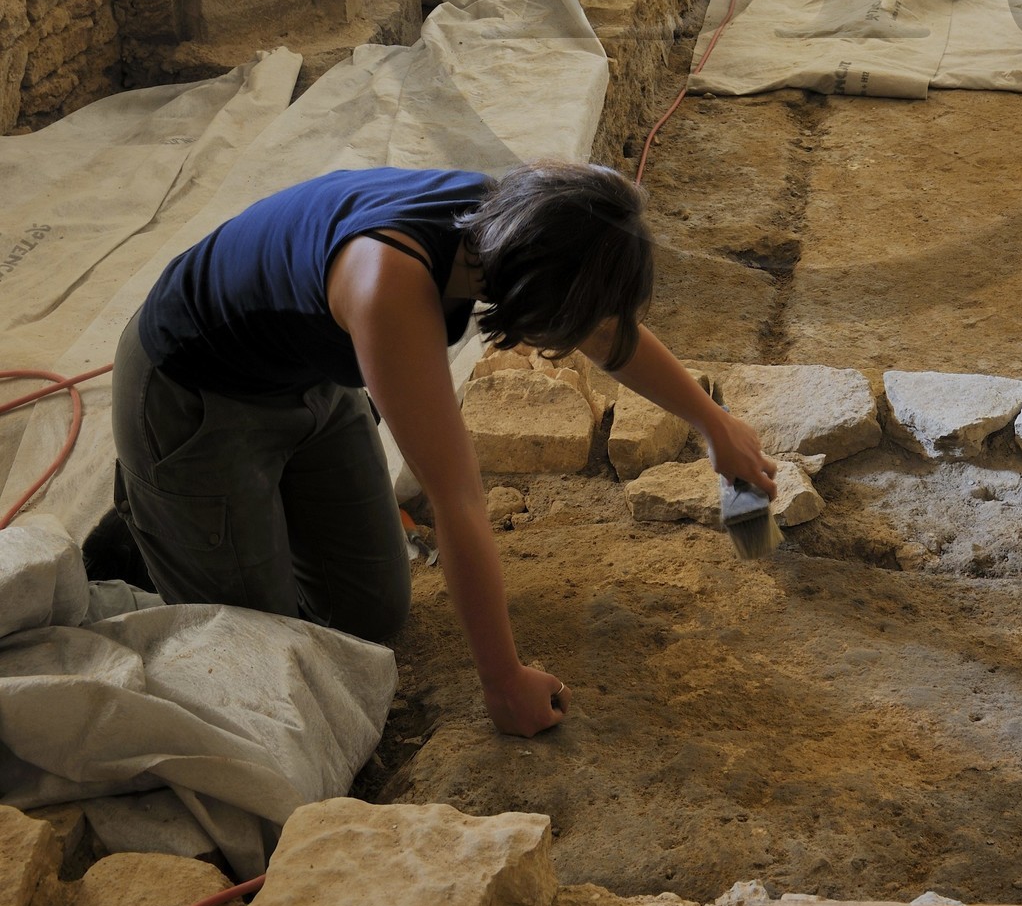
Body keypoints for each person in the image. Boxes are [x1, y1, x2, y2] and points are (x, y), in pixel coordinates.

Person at [111, 162, 776, 737]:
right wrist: (502, 680)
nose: (584, 339)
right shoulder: (390, 285)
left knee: (368, 614)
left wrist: (716, 424)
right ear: (531, 297)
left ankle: (219, 528)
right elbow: (457, 500)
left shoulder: (509, 229)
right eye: (569, 323)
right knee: (260, 657)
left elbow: (608, 336)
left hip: (311, 378)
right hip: (193, 390)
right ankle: (154, 524)